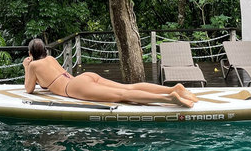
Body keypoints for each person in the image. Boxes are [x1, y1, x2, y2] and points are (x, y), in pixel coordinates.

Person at [23, 38, 198, 108]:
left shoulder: (33, 66)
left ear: (31, 53)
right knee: (128, 87)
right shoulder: (51, 59)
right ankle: (171, 89)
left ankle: (169, 98)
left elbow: (29, 89)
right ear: (44, 50)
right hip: (84, 78)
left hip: (74, 87)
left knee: (122, 95)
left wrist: (26, 66)